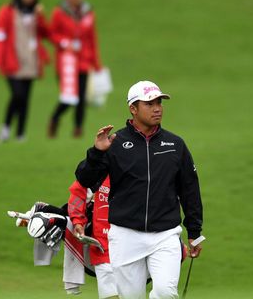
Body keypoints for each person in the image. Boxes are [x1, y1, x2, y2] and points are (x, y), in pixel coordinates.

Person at [75, 80, 203, 298]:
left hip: (165, 234)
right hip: (125, 235)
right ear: (133, 109)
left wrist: (194, 232)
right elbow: (85, 179)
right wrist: (97, 152)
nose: (157, 108)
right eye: (150, 103)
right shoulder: (115, 143)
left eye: (159, 102)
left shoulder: (175, 145)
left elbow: (189, 189)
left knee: (165, 292)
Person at [0, 0, 50, 143]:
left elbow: (44, 32)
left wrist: (40, 16)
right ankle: (6, 127)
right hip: (12, 61)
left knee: (25, 98)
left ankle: (20, 133)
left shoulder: (35, 12)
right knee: (17, 95)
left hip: (30, 61)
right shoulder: (7, 11)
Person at [47, 0, 102, 138]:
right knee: (70, 97)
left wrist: (96, 63)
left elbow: (92, 38)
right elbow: (52, 34)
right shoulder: (59, 12)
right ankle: (54, 118)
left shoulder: (88, 12)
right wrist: (64, 43)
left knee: (82, 98)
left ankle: (78, 129)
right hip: (66, 63)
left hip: (83, 61)